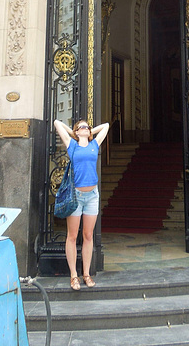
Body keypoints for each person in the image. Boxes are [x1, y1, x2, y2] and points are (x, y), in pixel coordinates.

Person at [54, 118, 109, 290]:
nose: (85, 128)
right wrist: (73, 132)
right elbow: (56, 122)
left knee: (88, 235)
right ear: (77, 132)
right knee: (71, 236)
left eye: (87, 127)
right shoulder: (72, 145)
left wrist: (89, 131)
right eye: (81, 127)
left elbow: (106, 126)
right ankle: (73, 275)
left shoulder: (95, 144)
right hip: (76, 196)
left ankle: (86, 273)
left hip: (92, 196)